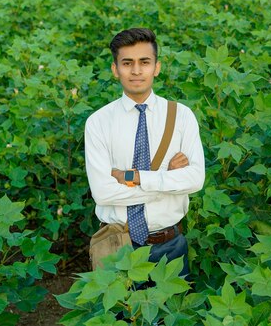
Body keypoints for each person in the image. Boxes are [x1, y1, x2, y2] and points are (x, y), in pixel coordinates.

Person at [85, 28, 205, 276]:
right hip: (117, 245)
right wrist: (168, 182)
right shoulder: (98, 122)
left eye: (144, 62)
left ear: (157, 67)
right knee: (118, 315)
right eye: (127, 63)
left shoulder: (181, 116)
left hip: (169, 245)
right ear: (115, 69)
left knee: (172, 312)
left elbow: (195, 180)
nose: (136, 71)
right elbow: (103, 192)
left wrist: (135, 177)